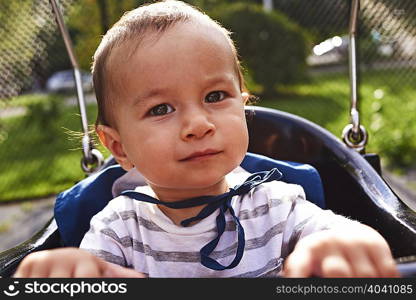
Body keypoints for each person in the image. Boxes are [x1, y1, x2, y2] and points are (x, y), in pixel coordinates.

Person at [14, 0, 398, 278]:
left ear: (243, 107)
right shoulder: (118, 227)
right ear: (118, 147)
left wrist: (340, 244)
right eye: (161, 109)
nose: (198, 125)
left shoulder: (275, 204)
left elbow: (339, 230)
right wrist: (81, 271)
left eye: (215, 97)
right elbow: (95, 272)